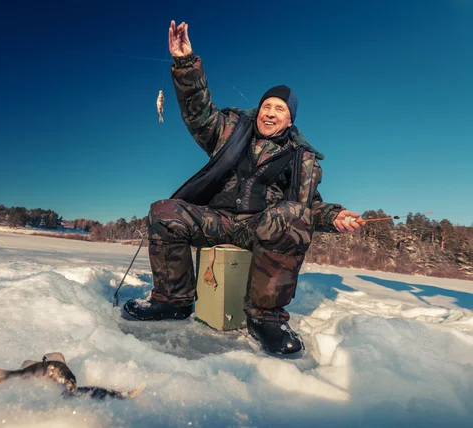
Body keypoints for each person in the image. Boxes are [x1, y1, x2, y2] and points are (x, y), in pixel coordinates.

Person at [123, 21, 365, 355]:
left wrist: (335, 217)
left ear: (290, 120)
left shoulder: (301, 159)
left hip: (258, 226)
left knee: (293, 215)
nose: (270, 112)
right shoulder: (231, 130)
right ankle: (172, 301)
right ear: (258, 110)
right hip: (217, 219)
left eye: (279, 109)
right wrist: (185, 64)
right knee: (164, 212)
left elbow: (309, 208)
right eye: (267, 106)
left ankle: (265, 318)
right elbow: (198, 114)